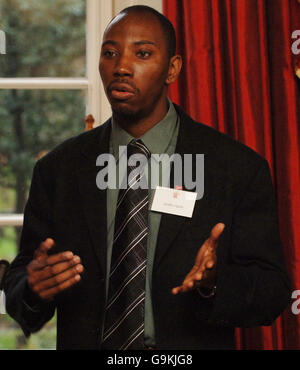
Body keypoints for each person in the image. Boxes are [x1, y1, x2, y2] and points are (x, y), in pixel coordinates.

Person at [4, 5, 290, 350]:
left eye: (142, 53)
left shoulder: (237, 168)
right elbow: (22, 294)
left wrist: (214, 283)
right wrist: (33, 289)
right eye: (110, 53)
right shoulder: (58, 170)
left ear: (172, 69)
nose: (121, 67)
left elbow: (272, 293)